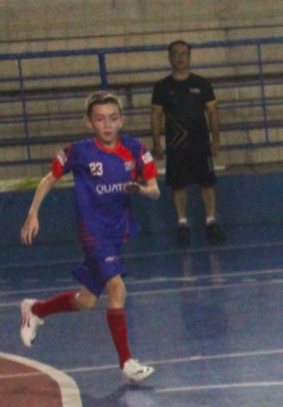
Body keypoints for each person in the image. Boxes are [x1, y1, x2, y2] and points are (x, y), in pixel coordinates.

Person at [18, 91, 158, 384]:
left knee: (87, 301)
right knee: (117, 290)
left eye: (112, 118)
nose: (106, 125)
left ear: (121, 120)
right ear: (88, 122)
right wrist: (33, 214)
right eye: (99, 119)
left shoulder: (135, 149)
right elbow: (48, 180)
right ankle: (126, 363)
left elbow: (154, 189)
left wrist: (139, 189)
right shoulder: (78, 151)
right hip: (92, 230)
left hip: (117, 229)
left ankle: (35, 310)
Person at [151, 40, 224, 244]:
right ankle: (182, 224)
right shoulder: (162, 87)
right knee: (178, 186)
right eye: (175, 54)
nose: (180, 58)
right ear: (169, 57)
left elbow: (212, 113)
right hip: (176, 146)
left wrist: (215, 139)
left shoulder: (202, 84)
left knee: (207, 184)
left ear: (190, 57)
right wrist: (157, 142)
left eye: (184, 54)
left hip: (200, 144)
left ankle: (211, 222)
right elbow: (156, 116)